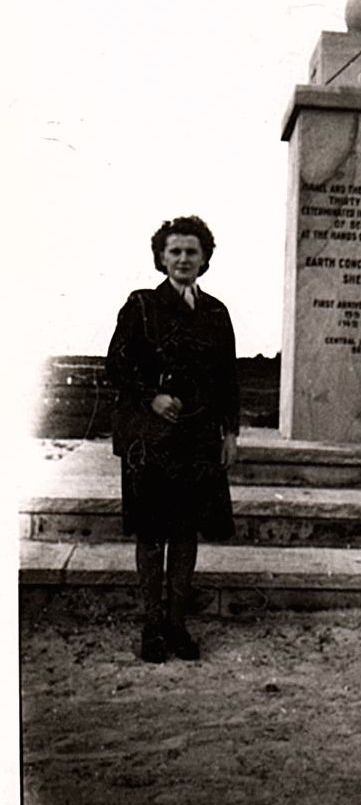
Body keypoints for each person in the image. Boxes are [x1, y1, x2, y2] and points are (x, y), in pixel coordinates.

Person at [106, 215, 239, 663]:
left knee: (185, 534)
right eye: (175, 251)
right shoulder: (141, 305)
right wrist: (152, 398)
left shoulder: (217, 312)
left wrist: (231, 433)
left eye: (192, 251)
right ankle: (151, 627)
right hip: (151, 439)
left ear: (205, 259)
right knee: (151, 532)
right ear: (161, 257)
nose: (183, 259)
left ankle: (178, 625)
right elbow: (117, 365)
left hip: (199, 440)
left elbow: (228, 380)